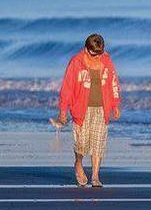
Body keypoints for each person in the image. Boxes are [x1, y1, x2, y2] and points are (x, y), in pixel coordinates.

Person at [52, 33, 121, 187]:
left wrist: (115, 105)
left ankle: (95, 176)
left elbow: (114, 83)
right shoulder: (76, 62)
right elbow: (67, 88)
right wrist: (63, 110)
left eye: (100, 53)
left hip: (102, 109)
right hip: (80, 110)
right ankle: (78, 163)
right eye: (94, 54)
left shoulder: (107, 60)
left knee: (98, 143)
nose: (98, 57)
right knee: (81, 145)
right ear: (87, 49)